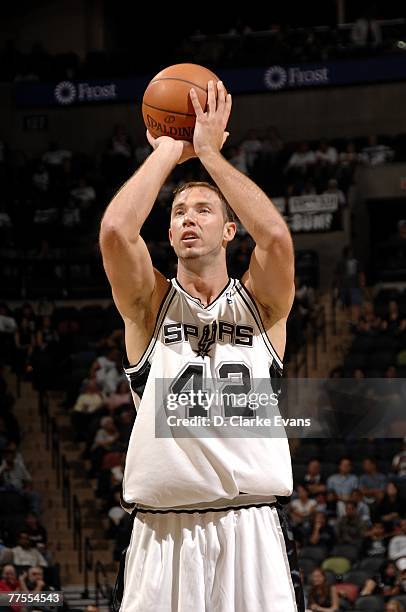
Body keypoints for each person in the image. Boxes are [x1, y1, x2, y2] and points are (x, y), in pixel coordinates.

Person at [100, 80, 303, 611]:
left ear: (231, 229)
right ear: (168, 235)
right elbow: (117, 232)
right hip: (163, 532)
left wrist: (210, 154)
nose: (188, 217)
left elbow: (277, 239)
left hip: (252, 525)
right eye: (178, 213)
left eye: (203, 210)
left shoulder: (261, 305)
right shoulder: (148, 306)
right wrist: (169, 148)